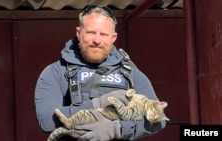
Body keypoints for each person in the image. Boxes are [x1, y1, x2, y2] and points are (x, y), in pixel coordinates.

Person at [34, 5, 167, 141]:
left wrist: (116, 129)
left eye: (103, 34)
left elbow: (158, 120)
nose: (97, 40)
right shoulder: (56, 72)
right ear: (79, 33)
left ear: (113, 38)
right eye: (91, 33)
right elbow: (46, 121)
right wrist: (98, 104)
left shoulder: (130, 73)